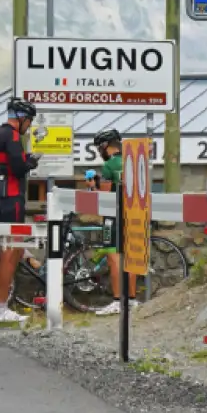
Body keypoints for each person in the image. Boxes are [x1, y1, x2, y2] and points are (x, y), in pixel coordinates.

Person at [0, 97, 40, 322]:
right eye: (30, 120)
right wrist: (30, 162)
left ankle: (2, 304)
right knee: (11, 249)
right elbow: (18, 167)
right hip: (11, 196)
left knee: (12, 247)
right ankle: (0, 307)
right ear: (22, 118)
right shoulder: (13, 136)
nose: (30, 125)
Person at [81, 129, 133, 315]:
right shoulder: (132, 161)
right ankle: (132, 299)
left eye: (98, 148)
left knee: (114, 256)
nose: (99, 152)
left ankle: (118, 300)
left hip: (114, 214)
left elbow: (104, 197)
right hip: (133, 214)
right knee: (130, 256)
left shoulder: (110, 165)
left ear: (105, 146)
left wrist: (92, 187)